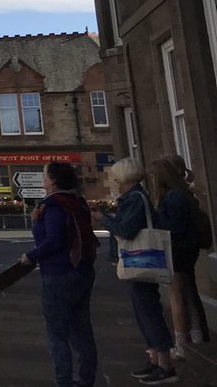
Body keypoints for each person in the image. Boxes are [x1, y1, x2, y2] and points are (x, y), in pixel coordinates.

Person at [93, 157, 178, 384]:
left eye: (115, 175)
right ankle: (155, 360)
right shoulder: (133, 197)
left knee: (149, 313)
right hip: (137, 261)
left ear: (124, 176)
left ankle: (165, 366)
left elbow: (126, 230)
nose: (113, 180)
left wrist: (103, 219)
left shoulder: (134, 199)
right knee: (145, 313)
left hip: (141, 262)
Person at [19, 161, 98, 387]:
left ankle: (64, 382)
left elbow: (53, 241)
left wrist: (31, 256)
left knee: (57, 335)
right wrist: (36, 222)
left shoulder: (53, 205)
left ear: (53, 180)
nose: (43, 179)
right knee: (82, 332)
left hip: (58, 274)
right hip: (83, 271)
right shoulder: (76, 202)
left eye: (45, 175)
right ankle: (86, 380)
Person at [148, 156, 210, 356]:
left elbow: (173, 228)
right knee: (188, 294)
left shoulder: (172, 197)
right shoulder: (183, 194)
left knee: (177, 297)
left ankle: (181, 344)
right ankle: (196, 336)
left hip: (178, 251)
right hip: (186, 249)